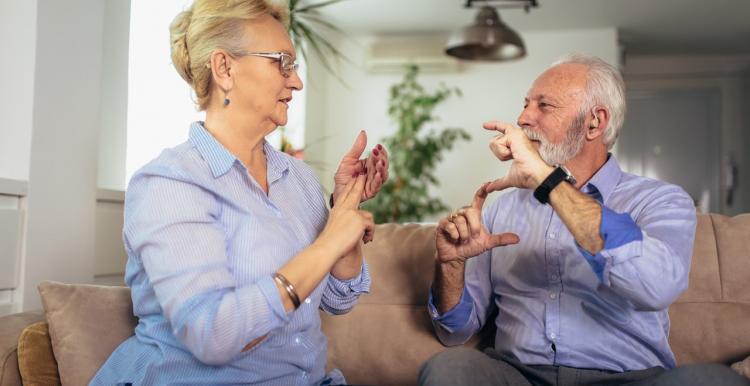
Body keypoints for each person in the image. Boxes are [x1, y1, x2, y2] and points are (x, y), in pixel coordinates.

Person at [90, 1, 389, 385]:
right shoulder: (169, 183)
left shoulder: (297, 178)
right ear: (224, 68)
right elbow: (213, 334)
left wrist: (345, 210)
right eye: (281, 62)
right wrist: (328, 243)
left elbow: (337, 300)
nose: (296, 81)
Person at [419, 54, 749, 386]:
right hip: (519, 375)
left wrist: (545, 180)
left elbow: (656, 288)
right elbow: (455, 332)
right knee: (451, 368)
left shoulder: (661, 200)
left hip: (630, 379)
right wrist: (450, 265)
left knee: (712, 381)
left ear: (594, 122)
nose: (522, 118)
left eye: (544, 106)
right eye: (525, 104)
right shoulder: (501, 209)